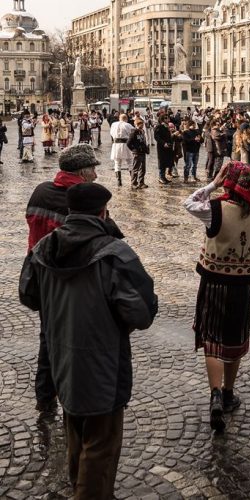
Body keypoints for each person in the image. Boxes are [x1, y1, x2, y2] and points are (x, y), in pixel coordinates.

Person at [19, 182, 157, 498]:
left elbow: (28, 294)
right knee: (100, 445)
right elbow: (141, 312)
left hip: (62, 361)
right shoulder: (114, 254)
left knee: (76, 435)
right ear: (103, 212)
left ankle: (79, 486)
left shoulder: (43, 248)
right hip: (104, 364)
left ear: (70, 211)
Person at [24, 144, 116, 414]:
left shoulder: (40, 191)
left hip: (41, 274)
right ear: (82, 172)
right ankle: (74, 397)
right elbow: (101, 238)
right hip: (73, 279)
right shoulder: (84, 200)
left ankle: (44, 397)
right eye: (93, 170)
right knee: (76, 340)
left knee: (47, 335)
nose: (96, 176)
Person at [183, 162, 250, 433]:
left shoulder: (215, 210)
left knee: (212, 338)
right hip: (244, 287)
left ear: (228, 183)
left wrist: (213, 184)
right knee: (235, 339)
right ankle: (229, 393)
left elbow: (189, 203)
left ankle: (216, 395)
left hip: (214, 284)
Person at [110, 114, 135, 188]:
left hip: (116, 145)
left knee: (117, 163)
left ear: (119, 118)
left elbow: (111, 134)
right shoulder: (128, 125)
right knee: (130, 162)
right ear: (126, 119)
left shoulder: (113, 124)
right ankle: (133, 180)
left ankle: (119, 181)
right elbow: (133, 134)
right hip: (126, 144)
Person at [126, 118, 150, 189]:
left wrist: (146, 149)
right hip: (137, 153)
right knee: (135, 168)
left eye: (142, 123)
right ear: (136, 124)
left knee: (143, 169)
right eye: (139, 124)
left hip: (143, 152)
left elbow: (143, 142)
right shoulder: (133, 132)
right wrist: (134, 150)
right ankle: (133, 183)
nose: (141, 125)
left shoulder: (142, 131)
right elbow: (128, 143)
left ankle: (141, 183)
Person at [154, 115, 174, 185]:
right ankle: (161, 177)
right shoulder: (159, 126)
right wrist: (163, 143)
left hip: (168, 147)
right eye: (166, 118)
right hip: (162, 147)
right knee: (162, 162)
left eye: (168, 118)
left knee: (166, 162)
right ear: (163, 119)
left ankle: (164, 177)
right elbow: (156, 137)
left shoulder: (167, 127)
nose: (168, 120)